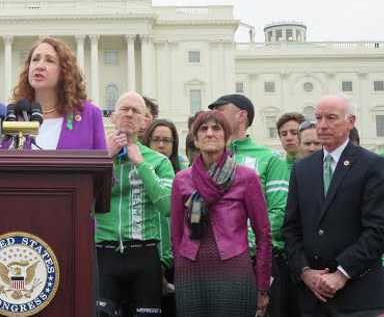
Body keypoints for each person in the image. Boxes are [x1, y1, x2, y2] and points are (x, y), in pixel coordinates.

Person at [283, 95, 384, 316]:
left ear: (351, 121)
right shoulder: (302, 169)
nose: (322, 125)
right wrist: (305, 272)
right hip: (312, 298)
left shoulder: (373, 166)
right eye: (318, 118)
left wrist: (341, 274)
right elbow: (291, 228)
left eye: (331, 118)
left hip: (358, 297)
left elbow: (377, 230)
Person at [171, 110, 271, 317]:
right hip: (191, 273)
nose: (209, 133)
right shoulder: (181, 180)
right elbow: (176, 235)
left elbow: (263, 235)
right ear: (195, 140)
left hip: (234, 270)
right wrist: (180, 267)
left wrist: (262, 285)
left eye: (216, 128)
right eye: (203, 129)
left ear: (226, 137)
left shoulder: (246, 177)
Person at [209, 93, 290, 317]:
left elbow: (279, 212)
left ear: (241, 115)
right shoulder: (208, 157)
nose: (214, 118)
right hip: (214, 263)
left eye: (221, 111)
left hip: (256, 260)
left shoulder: (270, 159)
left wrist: (242, 243)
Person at [96, 92, 174, 317]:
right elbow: (84, 202)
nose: (129, 114)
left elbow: (167, 206)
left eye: (136, 111)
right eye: (124, 109)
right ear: (112, 116)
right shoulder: (96, 155)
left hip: (144, 253)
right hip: (104, 251)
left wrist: (140, 163)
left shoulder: (159, 161)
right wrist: (105, 159)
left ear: (144, 121)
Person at [11, 37, 106, 151]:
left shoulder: (89, 115)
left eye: (49, 60)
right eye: (35, 59)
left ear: (64, 71)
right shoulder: (14, 116)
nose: (39, 66)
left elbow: (102, 165)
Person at [141, 118, 184, 317]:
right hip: (147, 258)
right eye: (156, 139)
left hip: (178, 261)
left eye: (167, 140)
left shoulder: (184, 175)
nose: (160, 145)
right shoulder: (139, 172)